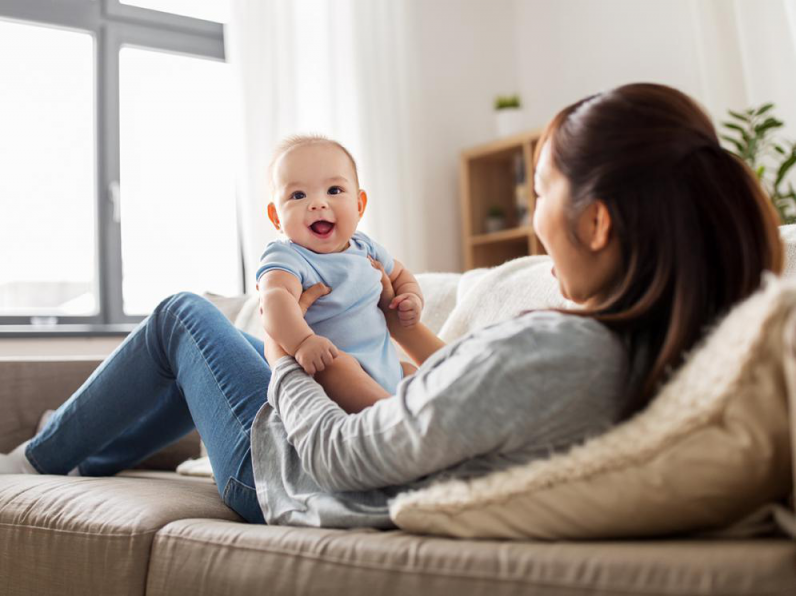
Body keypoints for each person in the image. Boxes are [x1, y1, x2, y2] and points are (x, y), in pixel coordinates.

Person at [0, 83, 783, 530]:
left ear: (597, 221)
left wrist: (287, 351)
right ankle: (79, 453)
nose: (537, 219)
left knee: (179, 316)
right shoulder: (635, 341)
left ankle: (31, 463)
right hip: (345, 438)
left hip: (286, 476)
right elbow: (474, 403)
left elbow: (345, 456)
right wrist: (407, 330)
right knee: (191, 350)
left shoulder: (564, 353)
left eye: (540, 189)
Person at [256, 135, 422, 413]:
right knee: (338, 364)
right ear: (276, 218)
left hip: (387, 368)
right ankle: (392, 418)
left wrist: (410, 297)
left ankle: (416, 414)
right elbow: (274, 301)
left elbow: (400, 274)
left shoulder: (364, 246)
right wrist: (303, 342)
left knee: (412, 372)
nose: (318, 203)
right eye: (298, 195)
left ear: (359, 205)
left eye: (334, 190)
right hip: (329, 369)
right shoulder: (288, 256)